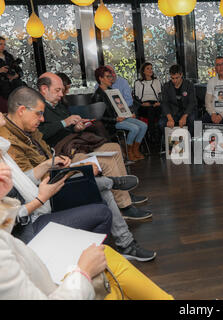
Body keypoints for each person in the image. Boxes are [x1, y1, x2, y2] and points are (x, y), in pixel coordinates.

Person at [0, 167, 173, 300]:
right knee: (106, 267)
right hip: (33, 235)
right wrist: (83, 272)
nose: (5, 168)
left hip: (29, 236)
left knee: (105, 255)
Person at [5, 84, 151, 221]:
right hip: (55, 172)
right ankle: (122, 201)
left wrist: (74, 129)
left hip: (63, 156)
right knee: (101, 169)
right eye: (57, 90)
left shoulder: (37, 119)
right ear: (22, 110)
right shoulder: (10, 140)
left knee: (113, 148)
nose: (61, 94)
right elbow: (30, 180)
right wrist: (71, 169)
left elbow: (46, 153)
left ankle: (121, 192)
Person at [92, 66, 148, 161]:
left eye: (111, 76)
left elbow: (120, 106)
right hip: (111, 123)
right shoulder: (97, 96)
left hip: (120, 117)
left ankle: (135, 150)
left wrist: (129, 114)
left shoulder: (112, 91)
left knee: (144, 126)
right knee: (135, 128)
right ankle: (128, 151)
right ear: (100, 78)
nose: (111, 78)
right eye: (108, 76)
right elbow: (98, 118)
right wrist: (115, 119)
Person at [160, 64, 197, 137]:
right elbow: (164, 103)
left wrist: (184, 116)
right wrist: (170, 118)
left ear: (181, 75)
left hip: (187, 111)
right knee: (161, 123)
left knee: (192, 120)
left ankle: (189, 140)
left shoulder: (189, 85)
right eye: (172, 78)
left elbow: (192, 102)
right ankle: (169, 143)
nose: (174, 81)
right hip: (173, 112)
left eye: (177, 78)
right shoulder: (166, 86)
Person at [134, 62, 162, 145]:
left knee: (153, 109)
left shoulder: (156, 81)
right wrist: (141, 104)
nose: (150, 70)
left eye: (151, 68)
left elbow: (160, 94)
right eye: (148, 68)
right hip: (143, 105)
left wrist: (159, 102)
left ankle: (151, 135)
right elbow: (136, 97)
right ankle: (153, 135)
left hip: (155, 104)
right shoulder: (138, 82)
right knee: (150, 110)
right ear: (143, 71)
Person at [0, 36, 25, 101]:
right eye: (0, 44)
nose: (3, 46)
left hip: (16, 87)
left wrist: (16, 75)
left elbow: (19, 71)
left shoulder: (9, 56)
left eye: (4, 44)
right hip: (3, 91)